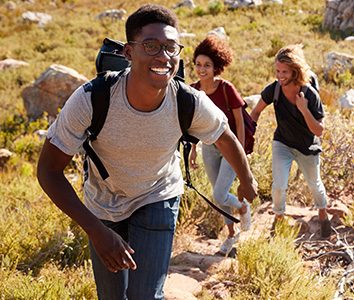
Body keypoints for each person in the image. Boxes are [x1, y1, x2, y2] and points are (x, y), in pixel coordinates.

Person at [36, 4, 257, 299]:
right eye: (151, 46)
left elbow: (225, 137)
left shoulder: (188, 101)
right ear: (129, 52)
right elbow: (48, 171)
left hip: (158, 195)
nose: (163, 56)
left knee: (145, 296)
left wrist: (246, 179)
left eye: (170, 48)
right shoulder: (92, 98)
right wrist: (96, 231)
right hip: (103, 206)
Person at [249, 44, 332, 235]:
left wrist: (304, 109)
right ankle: (278, 221)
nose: (280, 75)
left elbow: (319, 131)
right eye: (278, 71)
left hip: (307, 147)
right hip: (283, 143)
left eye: (285, 72)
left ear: (295, 71)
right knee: (279, 186)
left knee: (315, 186)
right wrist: (247, 136)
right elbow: (256, 112)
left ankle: (323, 215)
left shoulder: (309, 94)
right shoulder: (274, 90)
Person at [188, 34, 253, 255]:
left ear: (216, 66)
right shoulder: (193, 90)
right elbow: (193, 124)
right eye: (198, 64)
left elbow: (241, 123)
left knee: (219, 195)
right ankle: (232, 235)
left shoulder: (226, 88)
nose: (202, 69)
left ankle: (243, 207)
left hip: (230, 148)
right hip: (208, 147)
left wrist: (241, 151)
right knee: (219, 195)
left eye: (207, 65)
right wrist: (193, 149)